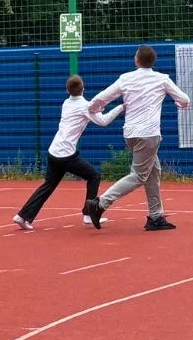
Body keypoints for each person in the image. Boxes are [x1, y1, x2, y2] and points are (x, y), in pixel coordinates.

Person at [84, 45, 190, 232]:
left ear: (137, 60)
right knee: (139, 176)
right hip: (148, 134)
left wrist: (93, 109)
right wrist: (179, 104)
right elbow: (185, 99)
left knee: (153, 171)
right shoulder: (162, 79)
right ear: (152, 61)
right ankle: (100, 204)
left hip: (130, 134)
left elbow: (101, 98)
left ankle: (155, 217)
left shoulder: (126, 78)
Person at [12, 76, 124, 231]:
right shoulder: (85, 106)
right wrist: (120, 108)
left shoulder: (66, 103)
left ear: (67, 90)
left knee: (48, 185)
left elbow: (91, 110)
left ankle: (23, 216)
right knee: (94, 176)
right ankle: (88, 214)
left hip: (53, 151)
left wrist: (98, 108)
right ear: (83, 88)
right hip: (66, 155)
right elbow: (103, 121)